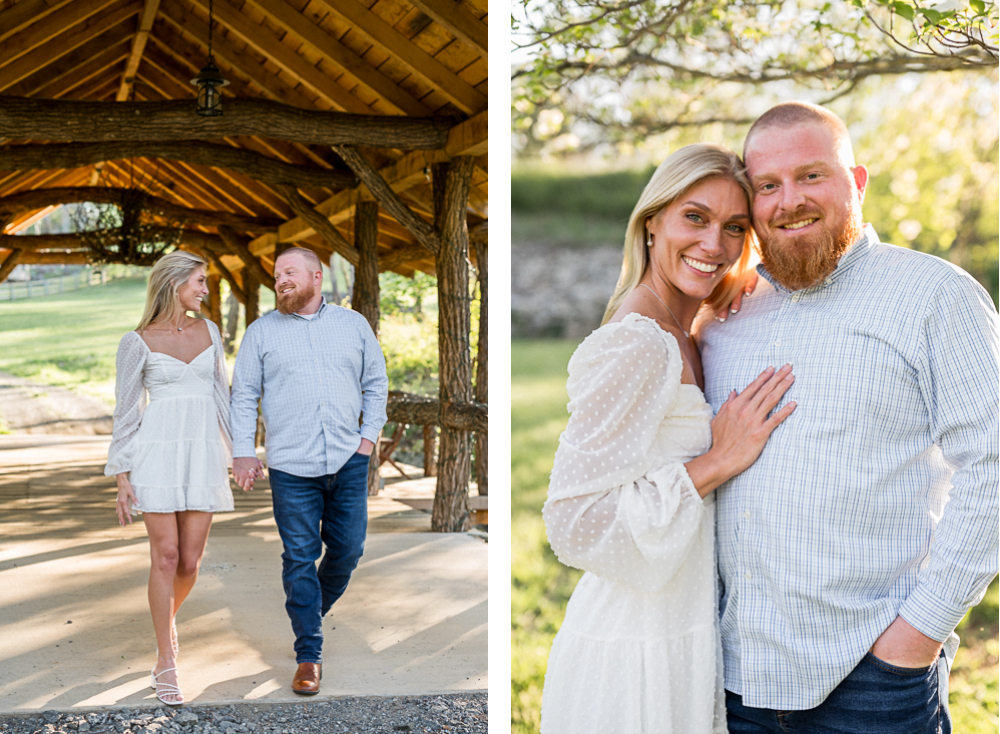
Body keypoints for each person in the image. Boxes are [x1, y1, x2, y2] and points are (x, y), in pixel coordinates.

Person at [699, 102, 999, 733]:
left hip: (872, 679)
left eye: (811, 175)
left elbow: (993, 466)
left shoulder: (934, 296)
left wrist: (916, 637)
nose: (789, 201)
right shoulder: (726, 314)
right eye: (767, 185)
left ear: (856, 182)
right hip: (735, 677)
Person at [540, 143, 798, 734]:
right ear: (651, 222)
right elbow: (573, 521)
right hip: (635, 648)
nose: (714, 244)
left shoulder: (689, 329)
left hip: (685, 632)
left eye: (735, 227)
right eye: (695, 217)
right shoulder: (636, 342)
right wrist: (716, 462)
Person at [230, 246, 388, 696]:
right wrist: (244, 451)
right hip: (290, 467)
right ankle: (309, 655)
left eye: (290, 272)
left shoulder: (353, 325)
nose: (280, 280)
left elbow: (376, 382)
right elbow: (244, 396)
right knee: (298, 557)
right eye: (277, 274)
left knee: (348, 551)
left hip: (348, 460)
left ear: (317, 276)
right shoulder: (261, 334)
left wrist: (367, 440)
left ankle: (308, 613)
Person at [105, 250, 234, 707]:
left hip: (201, 453)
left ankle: (167, 623)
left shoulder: (210, 331)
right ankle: (166, 658)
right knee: (166, 556)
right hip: (154, 454)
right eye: (199, 280)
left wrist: (239, 452)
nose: (204, 288)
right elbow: (125, 412)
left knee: (191, 561)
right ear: (175, 282)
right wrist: (121, 474)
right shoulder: (136, 341)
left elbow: (223, 396)